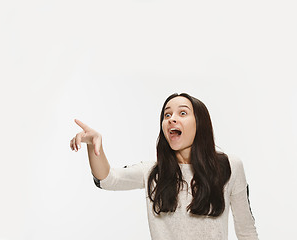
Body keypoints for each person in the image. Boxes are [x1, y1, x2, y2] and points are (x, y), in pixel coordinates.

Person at [70, 93, 258, 240]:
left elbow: (246, 231)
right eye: (167, 114)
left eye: (182, 113)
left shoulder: (230, 167)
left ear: (200, 123)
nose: (171, 119)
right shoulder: (153, 172)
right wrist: (93, 145)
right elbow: (108, 179)